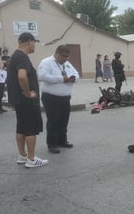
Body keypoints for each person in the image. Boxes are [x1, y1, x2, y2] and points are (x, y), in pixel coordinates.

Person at [6, 32, 48, 168]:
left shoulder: (15, 56)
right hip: (26, 100)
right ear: (29, 41)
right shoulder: (22, 56)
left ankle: (22, 155)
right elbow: (22, 76)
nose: (34, 45)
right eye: (34, 42)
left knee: (21, 128)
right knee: (30, 128)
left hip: (18, 99)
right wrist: (28, 93)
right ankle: (31, 158)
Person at [38, 44, 80, 154]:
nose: (65, 59)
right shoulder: (46, 62)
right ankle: (52, 144)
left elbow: (76, 73)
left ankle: (62, 140)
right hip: (51, 97)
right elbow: (42, 76)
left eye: (67, 57)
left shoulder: (67, 63)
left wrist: (74, 78)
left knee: (64, 120)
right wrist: (61, 79)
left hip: (65, 97)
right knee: (53, 121)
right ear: (56, 53)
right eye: (63, 56)